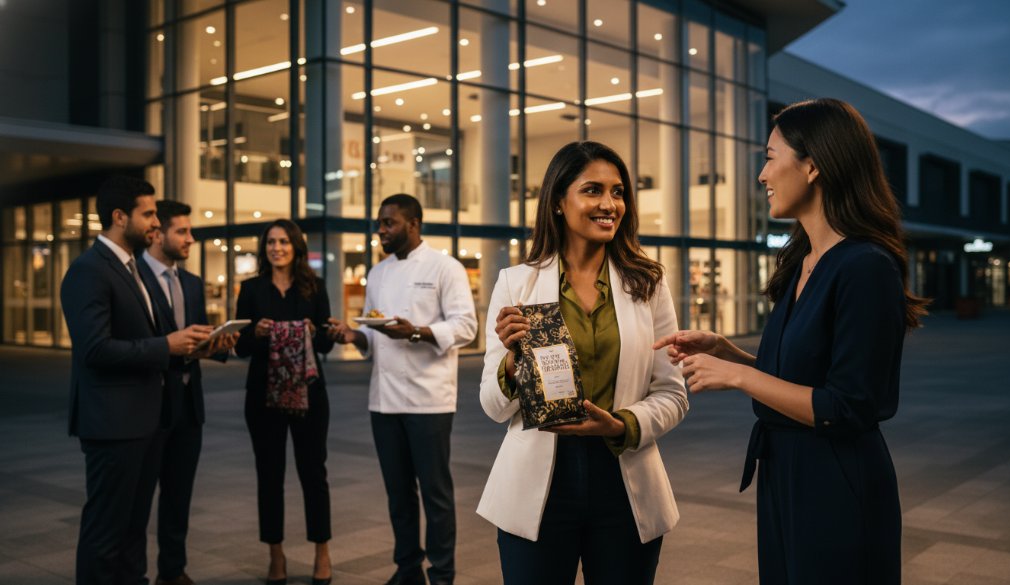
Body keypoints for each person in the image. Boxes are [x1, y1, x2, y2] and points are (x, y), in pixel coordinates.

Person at [654, 98, 929, 585]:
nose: (762, 175)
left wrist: (740, 376)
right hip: (786, 474)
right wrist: (727, 351)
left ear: (814, 164)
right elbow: (803, 375)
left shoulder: (865, 267)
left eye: (769, 156)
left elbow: (846, 406)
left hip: (837, 481)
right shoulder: (803, 261)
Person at [477, 141, 689, 585]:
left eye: (618, 192)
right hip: (538, 486)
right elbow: (494, 408)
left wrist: (621, 425)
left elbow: (672, 393)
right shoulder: (517, 284)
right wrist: (513, 365)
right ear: (558, 200)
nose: (610, 204)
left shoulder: (647, 284)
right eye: (593, 190)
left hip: (624, 480)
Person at [61, 176, 212, 585]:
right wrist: (167, 346)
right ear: (118, 216)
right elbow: (95, 351)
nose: (154, 224)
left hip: (144, 421)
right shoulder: (89, 270)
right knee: (106, 535)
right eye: (148, 215)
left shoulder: (131, 269)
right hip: (113, 426)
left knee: (131, 532)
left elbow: (149, 338)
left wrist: (196, 343)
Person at [326, 194, 477, 585]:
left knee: (436, 496)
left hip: (430, 399)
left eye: (389, 223)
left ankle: (442, 575)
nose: (381, 230)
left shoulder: (447, 268)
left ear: (414, 224)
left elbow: (466, 327)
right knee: (398, 495)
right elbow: (375, 340)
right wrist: (354, 335)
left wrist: (416, 331)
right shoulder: (377, 274)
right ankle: (407, 570)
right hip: (384, 400)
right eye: (379, 223)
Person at [133, 199, 238, 585]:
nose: (191, 239)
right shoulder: (134, 278)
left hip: (189, 408)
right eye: (183, 231)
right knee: (139, 502)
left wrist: (217, 345)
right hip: (148, 408)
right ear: (157, 234)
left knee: (178, 499)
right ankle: (136, 574)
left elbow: (195, 340)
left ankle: (173, 572)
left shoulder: (191, 283)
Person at [234, 219, 336, 585]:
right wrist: (256, 334)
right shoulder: (250, 289)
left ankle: (321, 552)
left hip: (309, 393)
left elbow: (325, 342)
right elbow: (240, 346)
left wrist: (315, 332)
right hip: (263, 394)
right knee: (269, 476)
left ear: (296, 246)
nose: (276, 247)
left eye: (283, 241)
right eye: (270, 242)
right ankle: (275, 556)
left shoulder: (314, 286)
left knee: (313, 474)